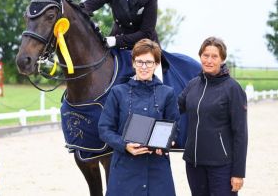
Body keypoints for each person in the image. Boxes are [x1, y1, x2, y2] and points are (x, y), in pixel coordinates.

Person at [98, 38, 179, 196]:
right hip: (124, 169)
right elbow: (104, 129)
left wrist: (169, 141)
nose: (144, 67)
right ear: (133, 63)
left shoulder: (167, 93)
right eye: (140, 62)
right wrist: (124, 145)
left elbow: (175, 127)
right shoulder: (117, 92)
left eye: (149, 62)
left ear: (156, 64)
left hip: (157, 171)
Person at [178, 37, 248, 196]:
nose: (209, 60)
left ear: (222, 59)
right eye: (205, 55)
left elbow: (241, 134)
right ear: (200, 56)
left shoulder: (233, 89)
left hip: (221, 166)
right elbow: (174, 110)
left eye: (214, 56)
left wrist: (238, 173)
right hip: (194, 164)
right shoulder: (193, 84)